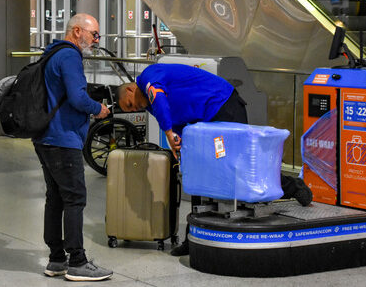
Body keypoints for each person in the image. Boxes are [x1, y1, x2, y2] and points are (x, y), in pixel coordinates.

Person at [117, 63, 312, 256]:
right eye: (131, 110)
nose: (135, 109)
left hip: (223, 104)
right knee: (198, 173)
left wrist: (168, 132)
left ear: (130, 89)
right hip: (204, 120)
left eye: (130, 104)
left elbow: (159, 99)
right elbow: (175, 120)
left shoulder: (149, 76)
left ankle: (293, 186)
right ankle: (192, 237)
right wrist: (181, 144)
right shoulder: (151, 106)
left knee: (241, 166)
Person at [32, 13, 113, 281]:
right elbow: (78, 98)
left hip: (46, 137)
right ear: (77, 31)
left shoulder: (52, 53)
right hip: (62, 138)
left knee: (55, 197)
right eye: (94, 34)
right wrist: (98, 108)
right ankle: (77, 261)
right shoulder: (69, 56)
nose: (96, 40)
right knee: (75, 197)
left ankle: (57, 260)